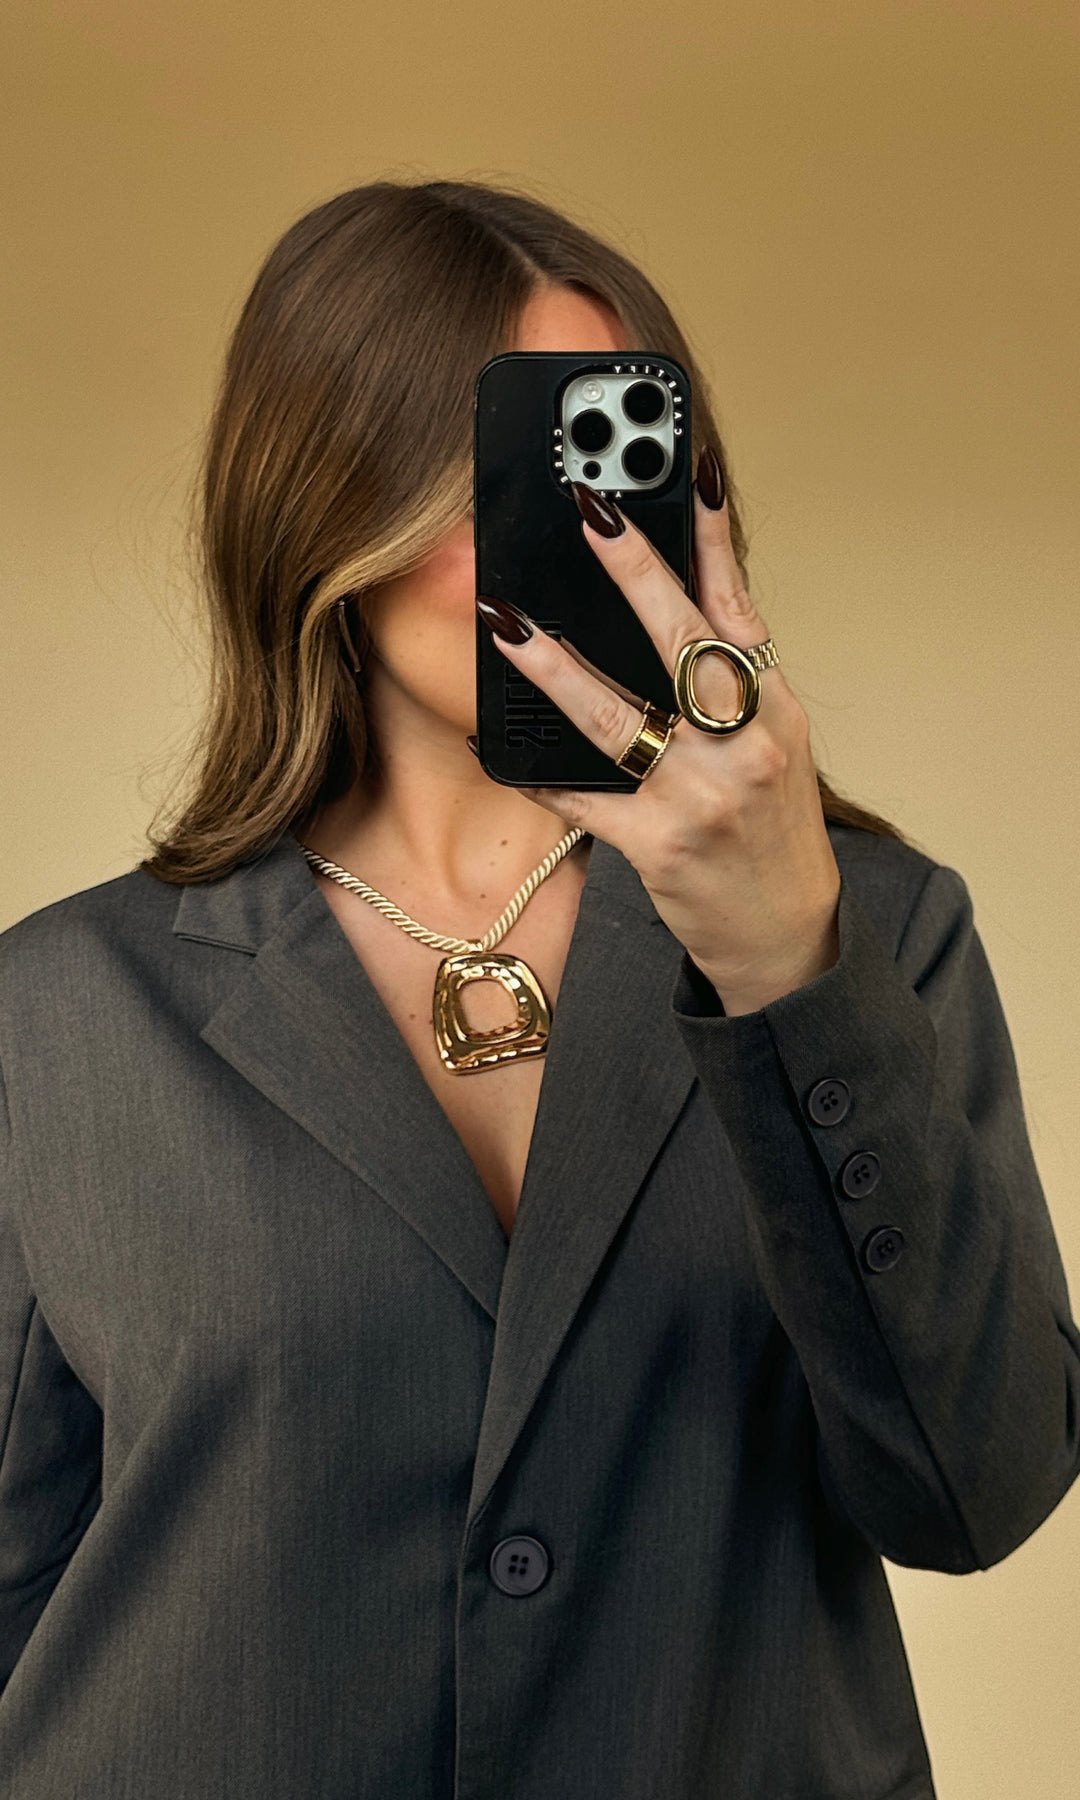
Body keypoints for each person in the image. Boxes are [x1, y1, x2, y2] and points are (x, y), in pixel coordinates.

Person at [0, 178, 1076, 1800]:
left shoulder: (877, 935)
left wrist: (787, 964)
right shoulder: (63, 1013)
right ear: (329, 503)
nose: (571, 543)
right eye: (506, 474)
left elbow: (975, 1491)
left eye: (609, 469)